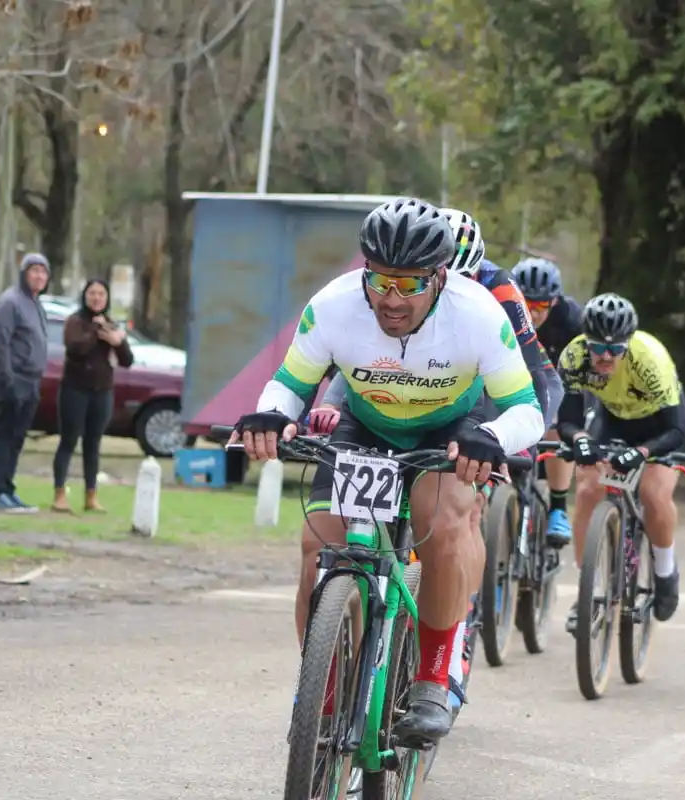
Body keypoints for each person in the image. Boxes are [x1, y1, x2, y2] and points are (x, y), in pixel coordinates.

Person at [231, 197, 544, 746]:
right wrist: (272, 416)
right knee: (318, 545)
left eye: (409, 285)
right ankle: (322, 690)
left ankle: (432, 679)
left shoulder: (477, 314)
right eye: (379, 281)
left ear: (440, 277)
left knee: (443, 522)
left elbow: (526, 409)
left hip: (451, 428)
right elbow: (291, 384)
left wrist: (491, 437)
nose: (391, 299)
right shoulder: (333, 305)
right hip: (366, 422)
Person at [312, 207, 563, 713]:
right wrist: (328, 411)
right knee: (327, 535)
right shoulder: (377, 295)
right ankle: (324, 676)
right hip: (393, 393)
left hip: (478, 398)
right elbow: (354, 364)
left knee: (458, 512)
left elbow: (539, 381)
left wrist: (507, 439)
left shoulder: (493, 295)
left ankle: (453, 632)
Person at [556, 293, 685, 627]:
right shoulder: (574, 357)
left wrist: (642, 453)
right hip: (611, 417)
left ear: (629, 344)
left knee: (653, 494)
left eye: (617, 349)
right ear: (587, 342)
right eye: (599, 347)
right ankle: (589, 591)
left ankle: (665, 570)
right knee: (586, 488)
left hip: (658, 426)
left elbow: (677, 430)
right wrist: (581, 440)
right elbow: (567, 419)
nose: (606, 356)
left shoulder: (650, 360)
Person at [511, 257, 584, 547]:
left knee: (557, 429)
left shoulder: (571, 320)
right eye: (527, 304)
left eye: (541, 306)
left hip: (561, 382)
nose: (534, 312)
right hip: (516, 380)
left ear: (555, 302)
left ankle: (557, 509)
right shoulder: (502, 311)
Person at [52, 279, 133, 513]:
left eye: (101, 294)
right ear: (85, 296)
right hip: (74, 390)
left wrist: (117, 341)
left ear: (106, 298)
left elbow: (127, 360)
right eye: (92, 293)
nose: (97, 298)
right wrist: (97, 332)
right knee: (68, 440)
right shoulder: (75, 321)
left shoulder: (111, 324)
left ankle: (91, 495)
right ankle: (59, 494)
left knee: (93, 444)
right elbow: (75, 349)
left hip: (102, 391)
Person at [0, 253, 50, 512]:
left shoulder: (36, 304)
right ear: (24, 273)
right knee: (4, 436)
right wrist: (8, 378)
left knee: (17, 438)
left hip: (32, 381)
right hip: (13, 379)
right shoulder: (10, 302)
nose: (39, 276)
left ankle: (8, 488)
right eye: (33, 271)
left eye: (43, 272)